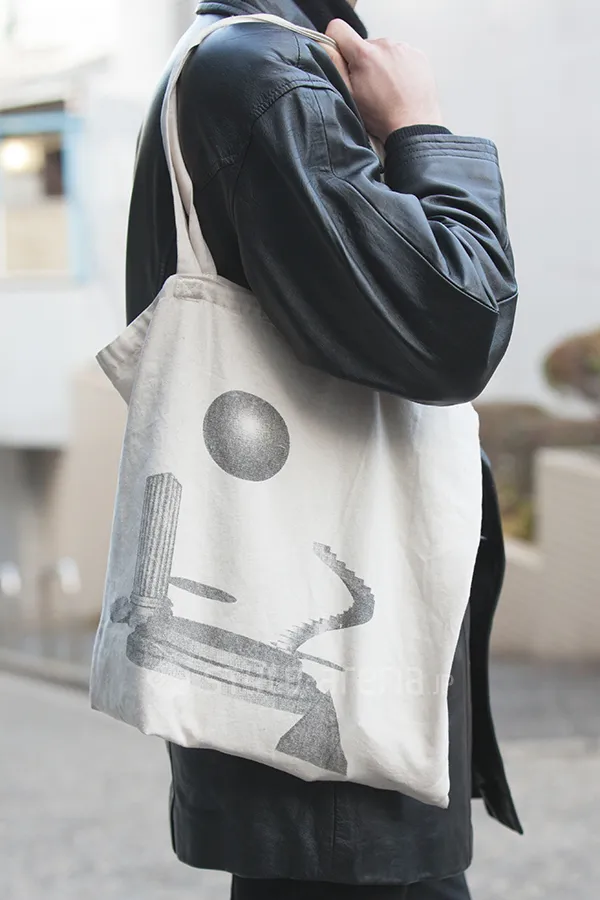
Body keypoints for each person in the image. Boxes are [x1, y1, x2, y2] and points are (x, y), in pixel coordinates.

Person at [126, 1, 522, 897]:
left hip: (324, 724)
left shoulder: (231, 65)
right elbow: (456, 324)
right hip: (343, 736)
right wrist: (420, 130)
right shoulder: (264, 73)